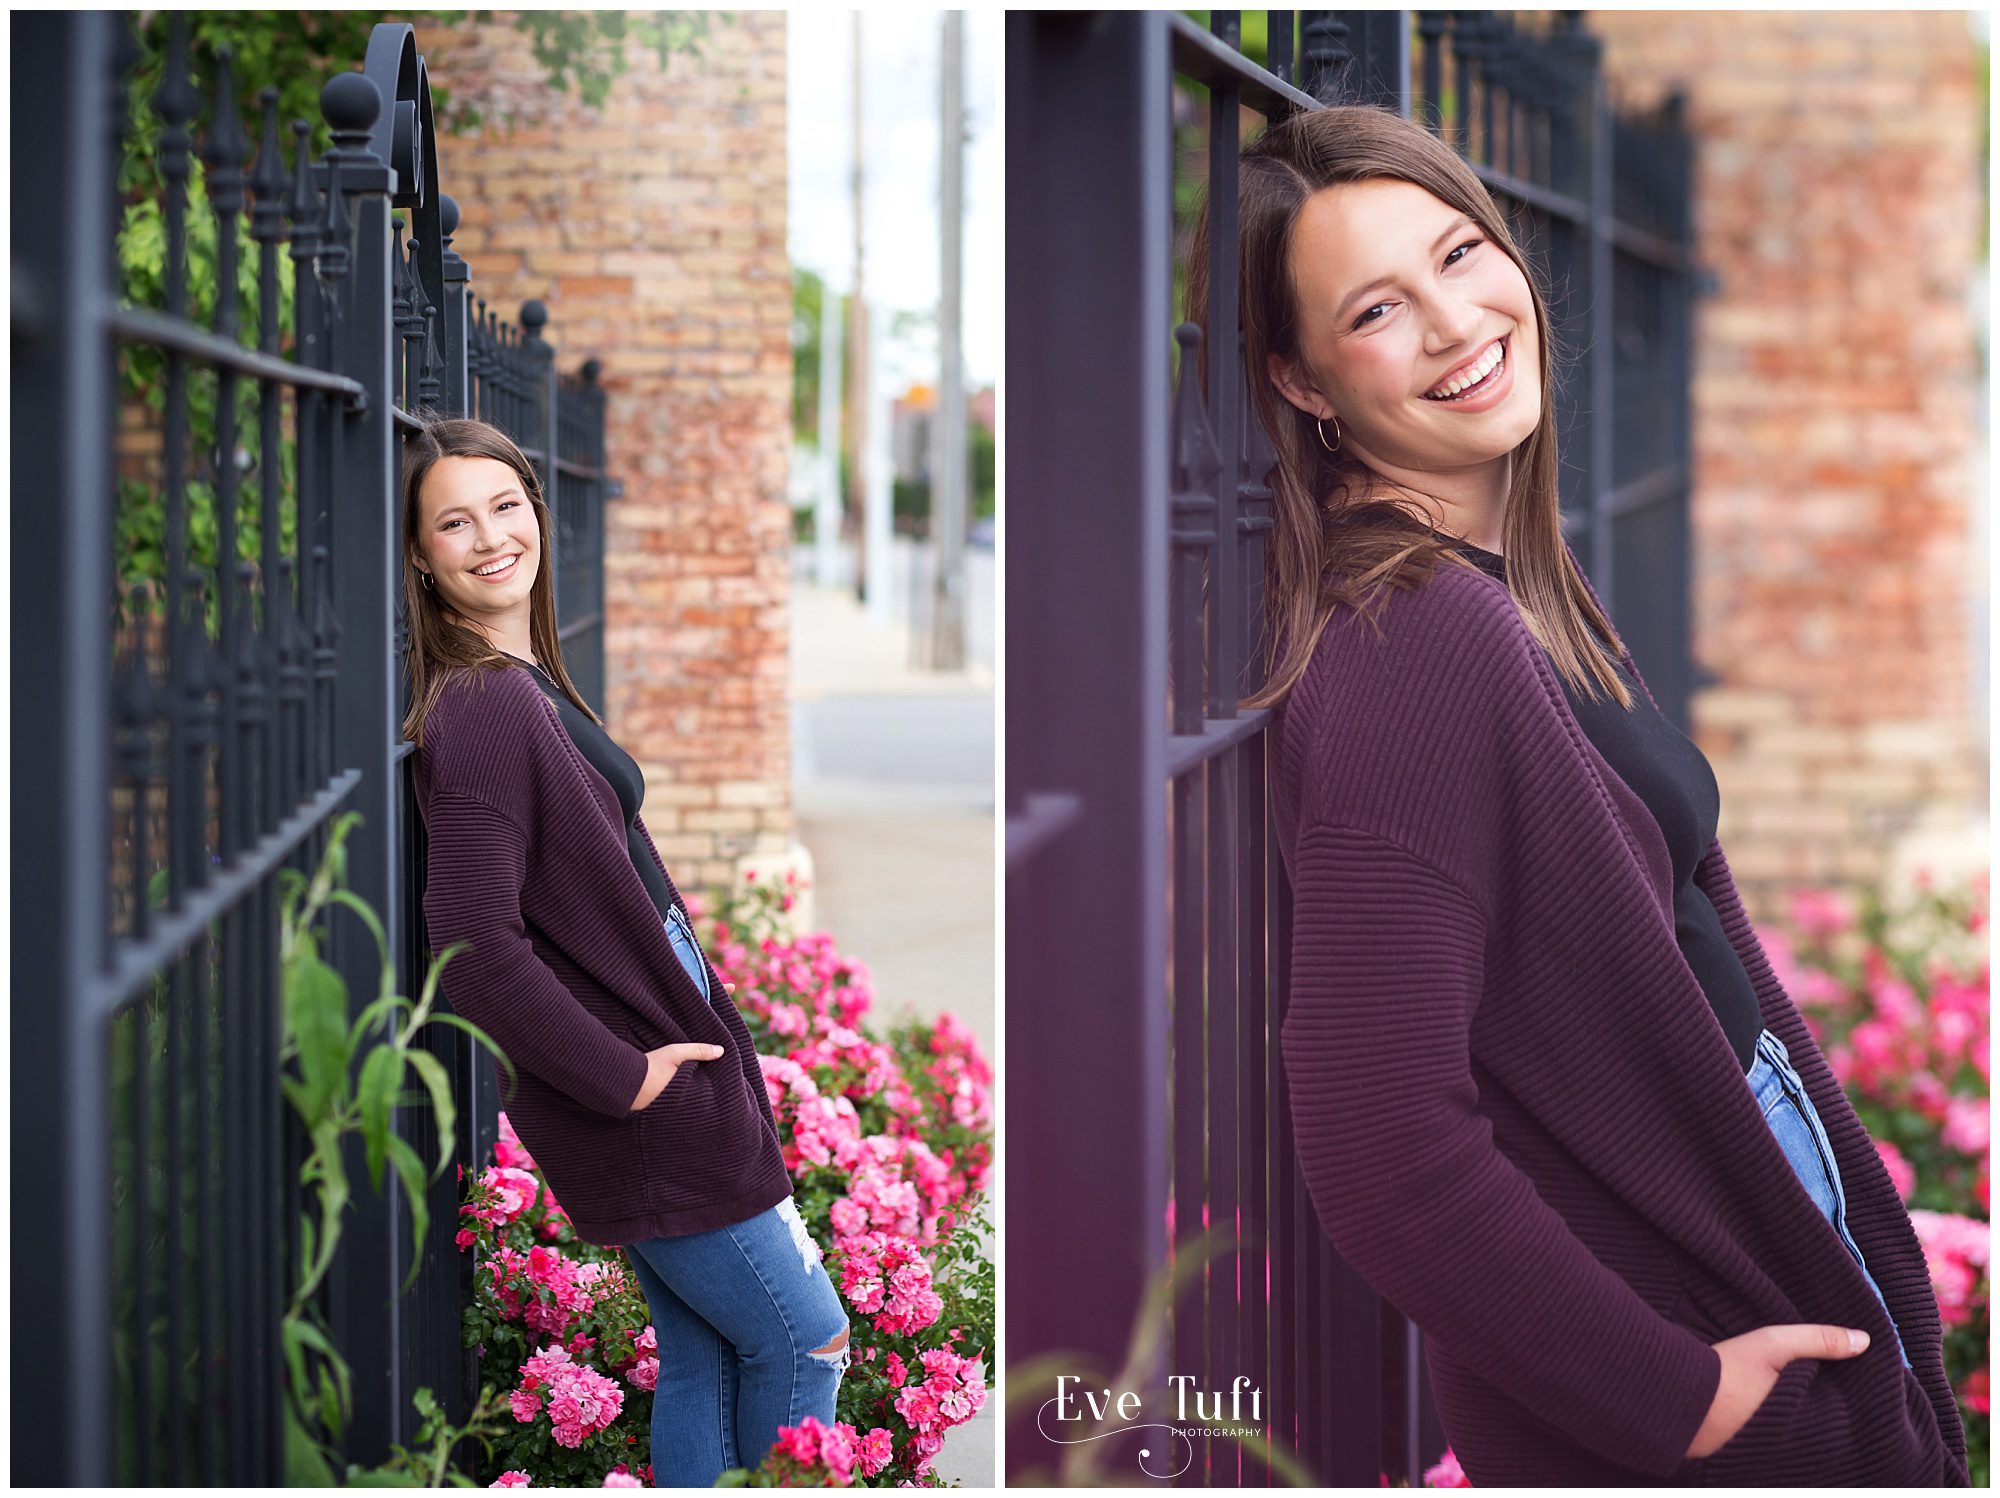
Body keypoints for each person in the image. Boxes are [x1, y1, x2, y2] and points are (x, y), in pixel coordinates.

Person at [1188, 104, 1967, 1484]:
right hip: (1686, 1316)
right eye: (1376, 309)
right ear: (1300, 381)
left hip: (1732, 1221)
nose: (1454, 322)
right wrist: (1676, 1397)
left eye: (1458, 253)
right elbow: (1379, 1139)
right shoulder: (1411, 639)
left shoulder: (1510, 587)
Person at [401, 417, 849, 1486]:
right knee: (807, 1340)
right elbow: (470, 944)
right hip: (647, 1099)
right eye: (455, 523)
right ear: (418, 554)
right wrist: (625, 1076)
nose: (490, 537)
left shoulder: (520, 678)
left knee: (705, 1359)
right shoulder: (484, 704)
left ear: (536, 512)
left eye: (505, 506)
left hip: (665, 1075)